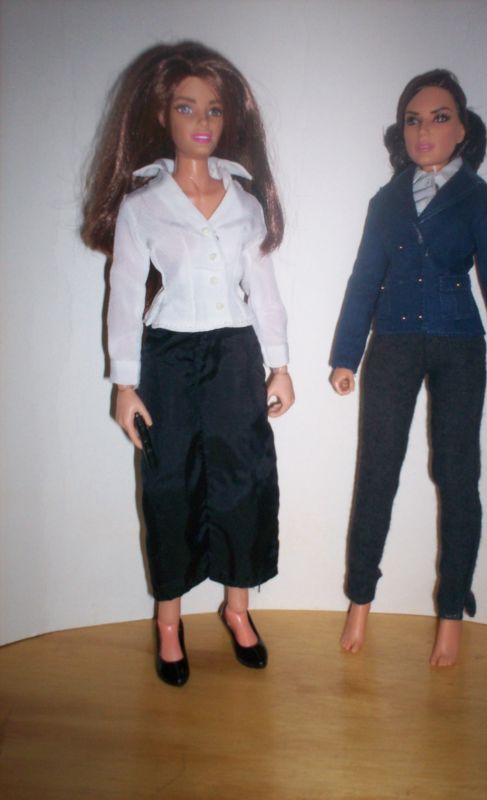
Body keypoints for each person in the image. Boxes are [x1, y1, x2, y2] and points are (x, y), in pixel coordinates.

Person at [81, 41, 294, 685]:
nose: (202, 121)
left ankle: (237, 608)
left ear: (230, 119)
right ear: (162, 115)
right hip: (168, 356)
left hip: (234, 353)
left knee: (244, 478)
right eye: (186, 107)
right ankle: (169, 622)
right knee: (169, 484)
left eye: (214, 109)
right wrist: (125, 383)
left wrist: (280, 364)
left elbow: (264, 289)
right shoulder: (143, 206)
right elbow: (124, 293)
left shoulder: (245, 203)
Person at [329, 69, 487, 667]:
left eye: (440, 118)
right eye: (413, 120)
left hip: (458, 345)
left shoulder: (480, 200)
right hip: (391, 343)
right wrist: (346, 354)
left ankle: (450, 613)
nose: (425, 130)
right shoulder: (387, 201)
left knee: (458, 475)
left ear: (462, 129)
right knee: (377, 471)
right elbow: (364, 278)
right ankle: (360, 598)